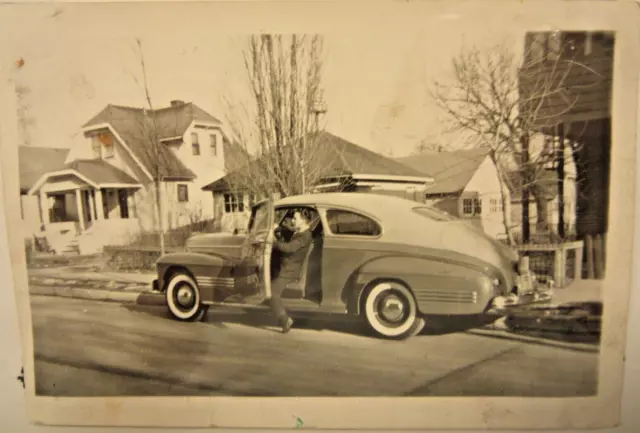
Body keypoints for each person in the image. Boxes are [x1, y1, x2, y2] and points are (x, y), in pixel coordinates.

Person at [269, 210, 313, 333]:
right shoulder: (300, 232)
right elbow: (288, 232)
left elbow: (289, 248)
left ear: (303, 220)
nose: (292, 221)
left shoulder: (305, 236)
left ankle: (285, 320)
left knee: (272, 294)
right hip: (286, 266)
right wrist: (278, 228)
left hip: (290, 270)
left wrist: (273, 244)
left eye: (295, 219)